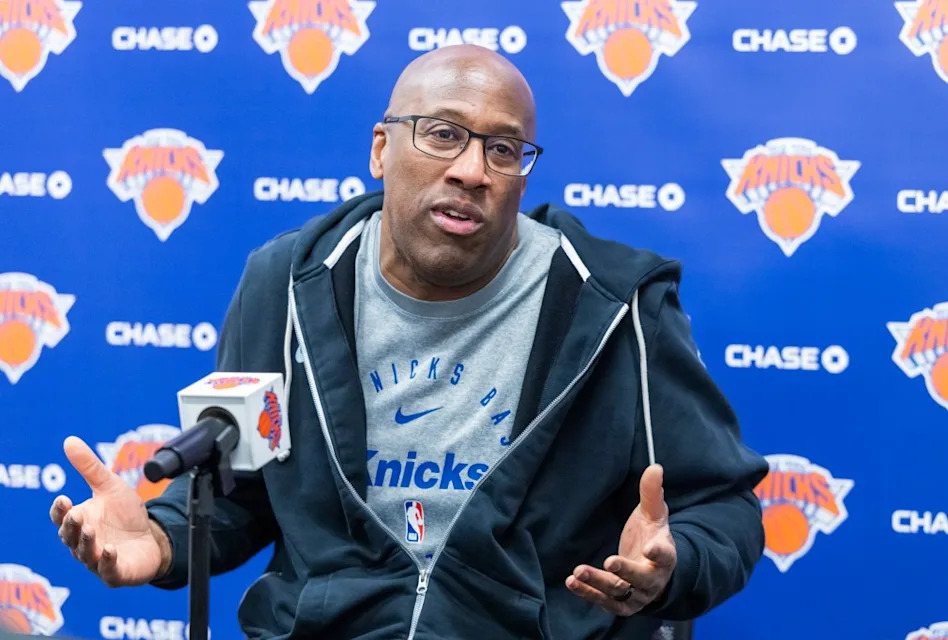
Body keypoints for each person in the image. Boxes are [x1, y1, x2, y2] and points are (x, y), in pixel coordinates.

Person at [50, 45, 768, 639]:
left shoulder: (616, 304)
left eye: (503, 149)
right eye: (443, 133)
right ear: (382, 148)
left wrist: (675, 567)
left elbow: (722, 507)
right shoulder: (285, 284)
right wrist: (166, 536)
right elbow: (241, 489)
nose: (472, 170)